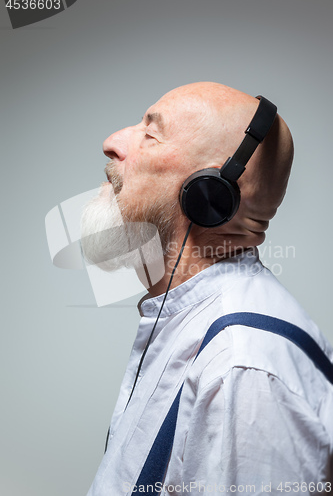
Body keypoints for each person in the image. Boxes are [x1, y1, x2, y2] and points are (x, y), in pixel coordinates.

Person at [81, 83, 333, 495]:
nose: (112, 143)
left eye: (150, 134)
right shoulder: (189, 319)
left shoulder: (241, 368)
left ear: (209, 194)